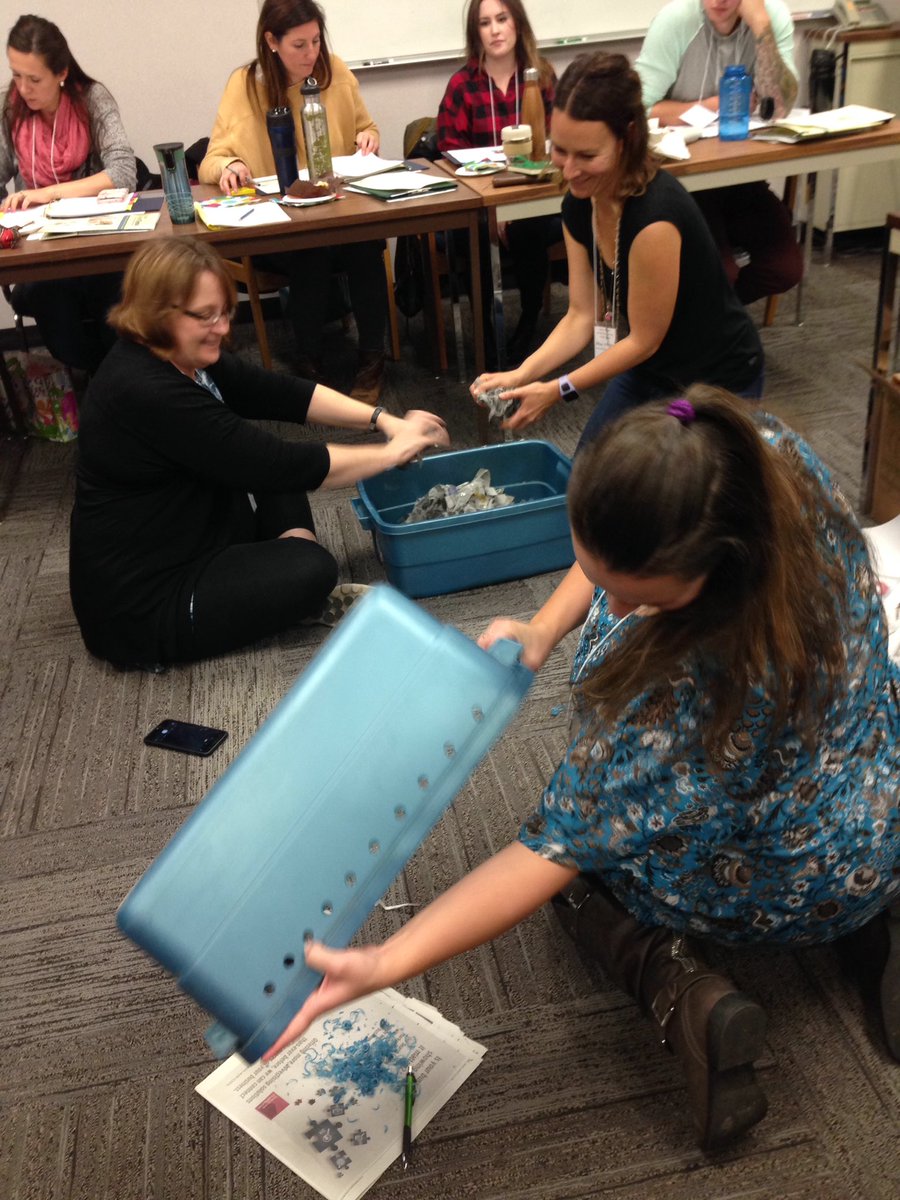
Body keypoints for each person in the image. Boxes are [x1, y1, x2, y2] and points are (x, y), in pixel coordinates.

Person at [257, 388, 900, 1152]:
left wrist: (386, 959)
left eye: (638, 595)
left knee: (589, 871)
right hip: (878, 800)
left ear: (713, 574)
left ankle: (679, 988)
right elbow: (620, 547)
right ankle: (876, 921)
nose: (616, 605)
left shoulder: (676, 701)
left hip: (779, 885)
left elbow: (542, 855)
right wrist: (540, 627)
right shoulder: (746, 457)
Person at [68, 236, 449, 670]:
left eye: (225, 312)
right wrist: (392, 452)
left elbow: (281, 394)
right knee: (312, 567)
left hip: (188, 526)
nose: (224, 328)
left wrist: (383, 420)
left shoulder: (179, 352)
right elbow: (282, 465)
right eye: (206, 316)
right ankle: (289, 579)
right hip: (145, 607)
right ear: (159, 313)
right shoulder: (143, 388)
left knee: (267, 470)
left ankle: (282, 575)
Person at [473, 52, 764, 447]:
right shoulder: (580, 203)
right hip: (653, 367)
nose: (570, 170)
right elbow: (581, 314)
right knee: (591, 478)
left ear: (627, 139)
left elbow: (644, 338)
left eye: (587, 155)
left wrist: (557, 389)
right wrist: (521, 373)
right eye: (560, 150)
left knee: (675, 492)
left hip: (716, 378)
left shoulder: (654, 216)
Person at [199, 0, 388, 402]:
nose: (311, 54)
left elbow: (364, 127)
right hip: (281, 227)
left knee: (367, 244)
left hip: (337, 214)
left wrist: (368, 139)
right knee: (310, 249)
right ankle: (309, 362)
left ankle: (373, 359)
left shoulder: (335, 71)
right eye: (298, 45)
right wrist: (230, 164)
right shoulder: (245, 85)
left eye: (316, 41)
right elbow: (212, 159)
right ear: (271, 41)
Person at [635, 0, 803, 305]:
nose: (718, 1)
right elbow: (635, 108)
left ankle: (716, 320)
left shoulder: (768, 16)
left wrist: (761, 28)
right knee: (721, 272)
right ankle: (711, 325)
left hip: (740, 174)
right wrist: (711, 106)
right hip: (684, 182)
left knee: (785, 268)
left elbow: (779, 106)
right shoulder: (676, 20)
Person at [0, 14, 136, 372]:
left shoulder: (91, 99)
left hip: (99, 242)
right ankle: (97, 381)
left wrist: (50, 193)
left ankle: (124, 385)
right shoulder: (10, 108)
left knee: (117, 296)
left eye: (34, 79)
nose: (23, 89)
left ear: (61, 73)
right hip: (43, 251)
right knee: (51, 302)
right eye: (16, 75)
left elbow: (123, 173)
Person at [437, 0, 562, 363]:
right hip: (480, 204)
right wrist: (494, 210)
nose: (494, 30)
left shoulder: (542, 77)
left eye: (502, 19)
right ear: (475, 33)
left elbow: (560, 147)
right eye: (484, 23)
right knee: (472, 233)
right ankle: (488, 338)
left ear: (517, 24)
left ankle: (527, 324)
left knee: (531, 227)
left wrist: (515, 208)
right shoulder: (462, 85)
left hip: (534, 201)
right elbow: (448, 155)